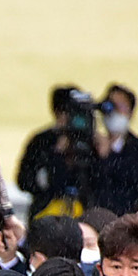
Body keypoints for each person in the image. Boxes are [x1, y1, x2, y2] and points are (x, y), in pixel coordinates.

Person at [16, 87, 98, 218]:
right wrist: (55, 156)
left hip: (86, 211)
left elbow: (98, 180)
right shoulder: (42, 141)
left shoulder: (93, 143)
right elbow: (24, 180)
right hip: (47, 211)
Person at [90, 84, 138, 216]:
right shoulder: (91, 149)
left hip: (132, 220)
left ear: (130, 113)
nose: (115, 112)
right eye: (111, 107)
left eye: (121, 107)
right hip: (98, 219)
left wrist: (109, 156)